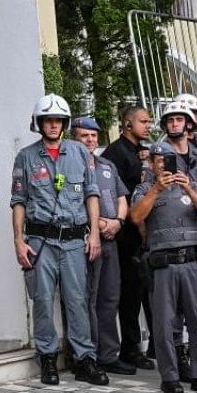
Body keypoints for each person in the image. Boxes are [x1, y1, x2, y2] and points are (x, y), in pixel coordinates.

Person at [10, 93, 108, 386]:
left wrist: (95, 235)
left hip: (75, 240)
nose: (53, 125)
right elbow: (19, 201)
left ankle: (83, 360)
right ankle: (48, 359)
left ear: (64, 123)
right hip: (41, 241)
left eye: (57, 120)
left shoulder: (80, 153)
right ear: (39, 123)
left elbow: (92, 194)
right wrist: (18, 239)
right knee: (41, 300)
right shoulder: (26, 157)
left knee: (77, 300)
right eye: (47, 120)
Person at [129, 141, 197, 393]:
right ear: (151, 163)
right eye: (159, 160)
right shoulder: (144, 188)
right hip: (163, 264)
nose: (164, 164)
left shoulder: (189, 185)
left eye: (168, 159)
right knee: (164, 324)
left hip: (191, 261)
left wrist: (189, 189)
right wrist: (156, 190)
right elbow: (135, 216)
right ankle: (169, 376)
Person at [71, 117, 135, 376]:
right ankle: (89, 353)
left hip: (110, 240)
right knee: (87, 299)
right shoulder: (70, 168)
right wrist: (97, 224)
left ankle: (109, 354)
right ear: (74, 139)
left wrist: (118, 222)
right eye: (84, 136)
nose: (90, 140)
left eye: (94, 136)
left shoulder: (107, 165)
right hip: (85, 241)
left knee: (110, 297)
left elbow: (122, 197)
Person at [99, 105, 154, 370]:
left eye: (149, 121)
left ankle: (151, 345)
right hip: (125, 235)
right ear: (127, 124)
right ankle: (130, 348)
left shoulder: (141, 151)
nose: (149, 126)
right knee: (128, 295)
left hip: (146, 233)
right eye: (144, 121)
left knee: (146, 292)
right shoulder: (115, 154)